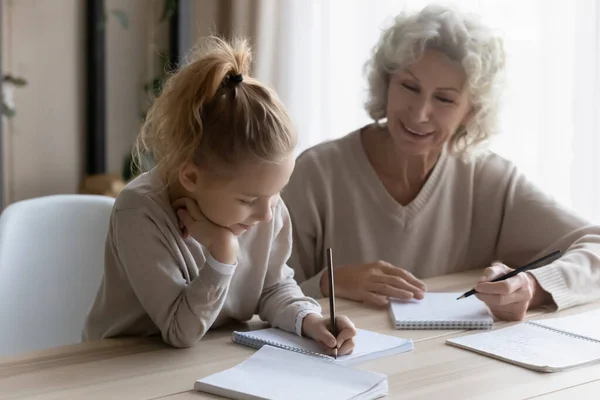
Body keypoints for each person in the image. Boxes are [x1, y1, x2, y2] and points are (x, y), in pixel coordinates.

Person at [282, 4, 600, 321]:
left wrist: (533, 286)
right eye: (409, 86)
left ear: (471, 111)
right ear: (386, 82)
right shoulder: (315, 174)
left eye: (444, 99)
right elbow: (256, 294)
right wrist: (327, 282)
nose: (420, 113)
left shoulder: (489, 179)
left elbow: (595, 245)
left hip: (450, 363)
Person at [83, 36, 356, 354]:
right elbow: (178, 330)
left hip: (209, 361)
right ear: (191, 177)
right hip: (121, 368)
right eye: (249, 200)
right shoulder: (140, 211)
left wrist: (309, 320)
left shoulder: (265, 207)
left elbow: (272, 286)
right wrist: (223, 252)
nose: (267, 214)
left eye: (277, 193)